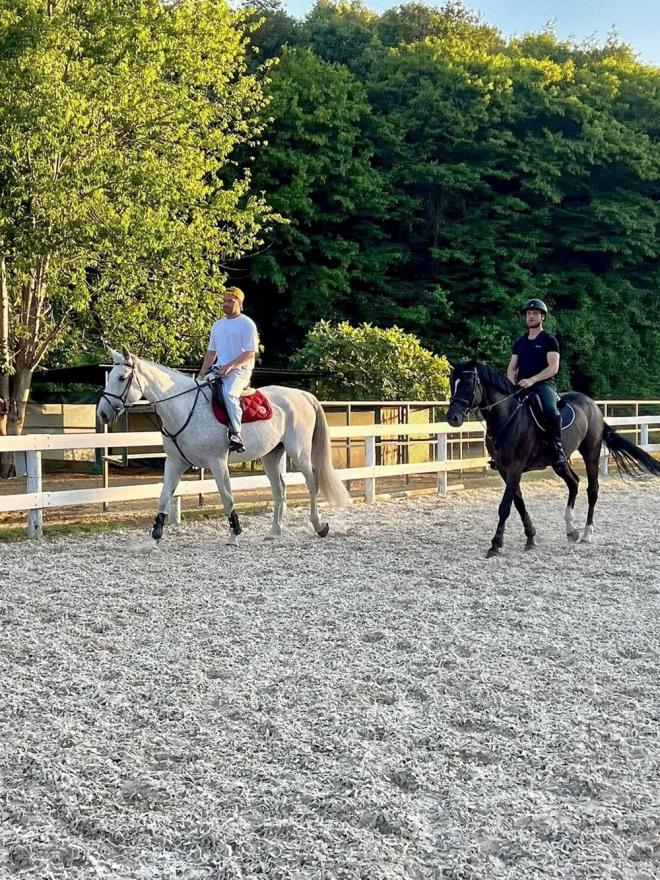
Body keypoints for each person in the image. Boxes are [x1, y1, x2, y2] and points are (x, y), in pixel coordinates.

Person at [197, 286, 259, 453]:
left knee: (228, 393)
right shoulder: (218, 325)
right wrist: (202, 374)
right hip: (219, 369)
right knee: (199, 392)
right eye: (224, 301)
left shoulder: (247, 324)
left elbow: (250, 353)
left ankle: (236, 434)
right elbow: (211, 352)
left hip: (240, 370)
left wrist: (230, 366)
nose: (225, 304)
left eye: (230, 301)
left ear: (240, 303)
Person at [506, 298, 566, 466]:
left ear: (542, 317)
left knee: (550, 411)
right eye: (528, 314)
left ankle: (557, 449)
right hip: (521, 385)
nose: (531, 316)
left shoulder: (549, 340)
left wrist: (532, 380)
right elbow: (511, 368)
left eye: (535, 313)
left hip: (543, 384)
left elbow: (553, 368)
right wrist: (512, 383)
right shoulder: (520, 342)